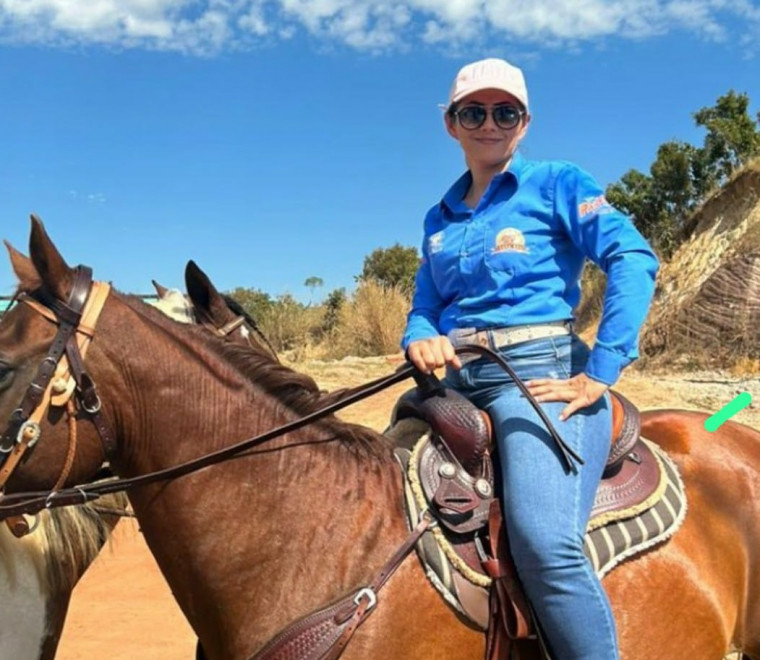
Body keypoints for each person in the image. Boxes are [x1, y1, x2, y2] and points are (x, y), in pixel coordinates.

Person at [402, 57, 659, 659]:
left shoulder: (557, 183)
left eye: (504, 112)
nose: (488, 123)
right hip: (454, 383)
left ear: (524, 122)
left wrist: (601, 369)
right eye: (473, 112)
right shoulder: (438, 220)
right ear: (452, 124)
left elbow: (632, 258)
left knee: (545, 543)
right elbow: (425, 305)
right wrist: (420, 336)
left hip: (540, 379)